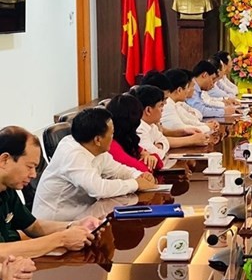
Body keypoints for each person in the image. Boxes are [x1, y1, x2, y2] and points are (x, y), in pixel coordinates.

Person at [33, 109, 156, 221]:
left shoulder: (95, 148)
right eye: (111, 134)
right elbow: (97, 189)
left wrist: (139, 175)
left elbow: (118, 170)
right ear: (98, 140)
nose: (113, 138)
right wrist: (135, 184)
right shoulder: (72, 154)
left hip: (83, 216)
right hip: (55, 224)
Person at [0, 126, 101, 257]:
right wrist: (62, 239)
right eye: (29, 167)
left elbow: (33, 226)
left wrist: (75, 226)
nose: (33, 175)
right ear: (4, 160)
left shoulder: (7, 189)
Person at [131, 85, 210, 162]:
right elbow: (156, 155)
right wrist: (160, 148)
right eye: (161, 106)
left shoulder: (151, 125)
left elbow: (164, 140)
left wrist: (160, 145)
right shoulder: (139, 128)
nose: (163, 109)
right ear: (148, 110)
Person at [106, 94, 164, 173]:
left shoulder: (128, 139)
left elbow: (159, 163)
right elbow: (143, 171)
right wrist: (150, 159)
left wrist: (153, 157)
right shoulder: (112, 145)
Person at [161, 68, 219, 135]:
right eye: (187, 87)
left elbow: (188, 120)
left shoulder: (175, 103)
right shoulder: (167, 105)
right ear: (179, 90)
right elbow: (181, 129)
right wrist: (207, 127)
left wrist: (204, 124)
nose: (189, 90)